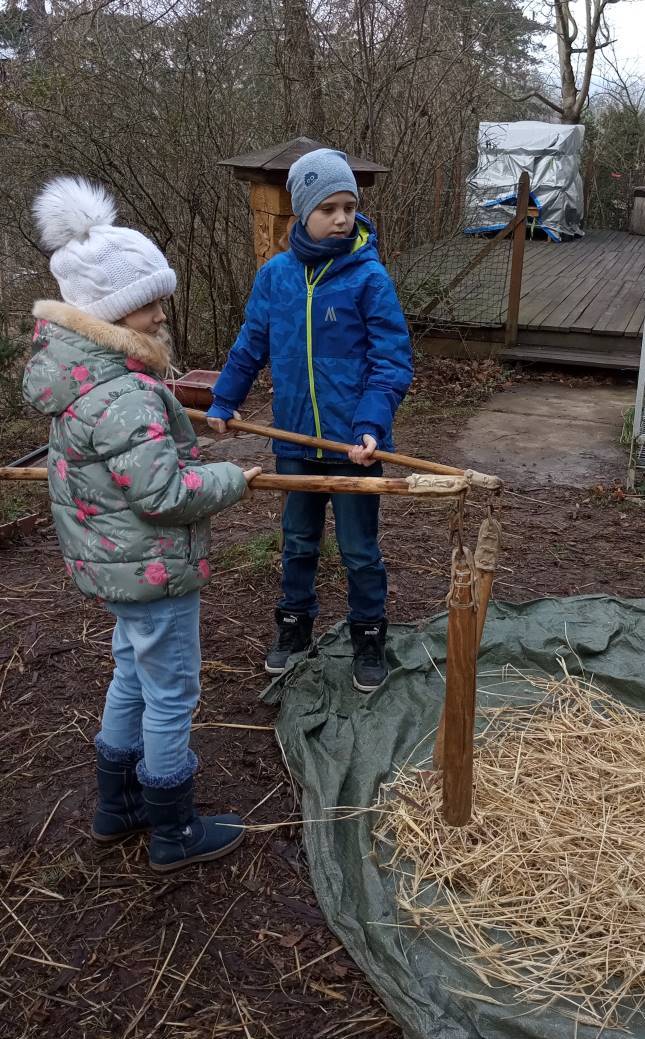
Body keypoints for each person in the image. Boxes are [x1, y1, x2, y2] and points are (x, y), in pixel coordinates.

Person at [23, 176, 262, 871]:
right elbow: (163, 493)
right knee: (172, 692)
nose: (161, 314)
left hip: (116, 567)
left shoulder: (82, 382)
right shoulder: (125, 393)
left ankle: (117, 804)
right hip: (152, 569)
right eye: (149, 302)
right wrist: (231, 479)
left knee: (131, 671)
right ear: (109, 311)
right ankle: (173, 829)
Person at [207, 147, 413, 690]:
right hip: (294, 442)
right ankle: (294, 628)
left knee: (359, 551)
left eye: (349, 207)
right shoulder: (275, 277)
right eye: (328, 208)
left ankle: (368, 635)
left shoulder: (369, 278)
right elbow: (251, 344)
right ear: (302, 211)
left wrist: (371, 425)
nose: (342, 218)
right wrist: (224, 400)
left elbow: (391, 362)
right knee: (298, 541)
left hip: (354, 447)